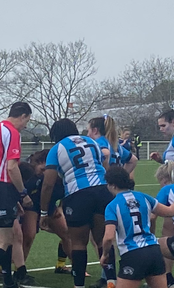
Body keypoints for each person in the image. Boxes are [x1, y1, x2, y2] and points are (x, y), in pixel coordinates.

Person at [40, 118, 115, 288]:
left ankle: (79, 285)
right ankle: (111, 282)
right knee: (102, 240)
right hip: (102, 191)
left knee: (79, 243)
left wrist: (44, 212)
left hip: (77, 194)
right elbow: (104, 165)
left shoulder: (57, 148)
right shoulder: (92, 142)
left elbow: (48, 184)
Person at [101, 166, 174, 288]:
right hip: (154, 251)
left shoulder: (112, 206)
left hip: (132, 254)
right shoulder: (144, 197)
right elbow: (171, 211)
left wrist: (105, 254)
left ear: (113, 185)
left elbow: (109, 237)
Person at [0, 102, 35, 288]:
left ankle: (8, 281)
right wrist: (22, 193)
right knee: (2, 240)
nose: (26, 125)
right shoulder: (11, 132)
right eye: (27, 121)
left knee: (8, 236)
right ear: (22, 115)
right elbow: (11, 167)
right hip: (2, 187)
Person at [21, 150, 71, 275]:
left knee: (67, 233)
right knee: (29, 236)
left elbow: (67, 193)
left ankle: (75, 267)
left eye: (46, 170)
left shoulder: (60, 177)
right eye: (42, 169)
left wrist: (60, 207)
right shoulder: (31, 177)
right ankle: (20, 269)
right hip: (32, 206)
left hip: (50, 206)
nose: (44, 173)